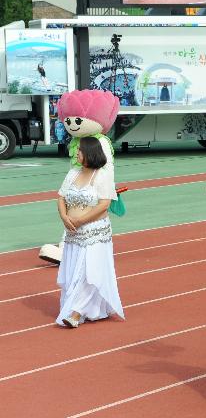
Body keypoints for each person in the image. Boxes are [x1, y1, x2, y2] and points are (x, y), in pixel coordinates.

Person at [56, 136, 123, 328]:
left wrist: (81, 220)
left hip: (95, 233)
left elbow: (105, 204)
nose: (76, 153)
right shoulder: (73, 173)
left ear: (90, 153)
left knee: (89, 272)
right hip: (73, 233)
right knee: (73, 271)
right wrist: (64, 217)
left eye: (80, 150)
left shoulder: (102, 176)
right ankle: (89, 309)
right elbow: (61, 197)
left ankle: (76, 313)